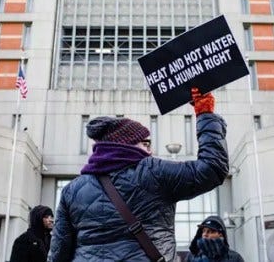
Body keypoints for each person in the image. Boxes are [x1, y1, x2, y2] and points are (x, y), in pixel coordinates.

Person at [49, 88, 229, 262]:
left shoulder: (72, 190)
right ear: (127, 145)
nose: (149, 151)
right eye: (145, 144)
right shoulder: (152, 172)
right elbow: (212, 169)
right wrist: (205, 113)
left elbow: (58, 252)